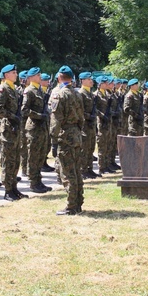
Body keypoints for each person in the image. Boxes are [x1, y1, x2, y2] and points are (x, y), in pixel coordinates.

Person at [50, 66, 85, 215]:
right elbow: (81, 117)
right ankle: (78, 203)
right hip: (76, 134)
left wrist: (53, 139)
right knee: (76, 170)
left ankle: (71, 206)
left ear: (59, 78)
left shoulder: (60, 95)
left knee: (68, 172)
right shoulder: (77, 94)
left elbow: (56, 120)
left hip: (65, 136)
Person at [0, 64, 28, 201]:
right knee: (8, 160)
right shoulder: (3, 89)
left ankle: (14, 187)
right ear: (6, 75)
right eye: (13, 72)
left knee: (15, 159)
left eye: (16, 72)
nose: (16, 74)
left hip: (15, 129)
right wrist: (12, 117)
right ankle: (8, 190)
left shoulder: (13, 89)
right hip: (8, 129)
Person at [21, 67, 52, 193]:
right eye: (38, 75)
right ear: (32, 77)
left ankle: (39, 181)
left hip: (42, 127)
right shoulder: (29, 91)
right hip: (34, 128)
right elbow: (24, 110)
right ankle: (34, 183)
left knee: (40, 155)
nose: (40, 77)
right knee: (33, 155)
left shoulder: (39, 90)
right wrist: (39, 115)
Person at [77, 72, 99, 179]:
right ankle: (83, 169)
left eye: (91, 79)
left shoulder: (90, 93)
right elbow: (80, 110)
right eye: (89, 79)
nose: (91, 81)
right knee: (84, 148)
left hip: (91, 125)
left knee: (91, 147)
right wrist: (89, 116)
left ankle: (89, 168)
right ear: (82, 80)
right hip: (85, 125)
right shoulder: (81, 93)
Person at [39, 73, 56, 173]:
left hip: (48, 121)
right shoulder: (40, 91)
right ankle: (41, 164)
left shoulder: (48, 91)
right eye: (46, 80)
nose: (48, 82)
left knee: (47, 144)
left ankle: (44, 162)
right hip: (41, 121)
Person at [18, 69, 29, 178]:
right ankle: (24, 168)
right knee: (23, 146)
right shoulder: (18, 91)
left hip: (29, 121)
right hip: (21, 122)